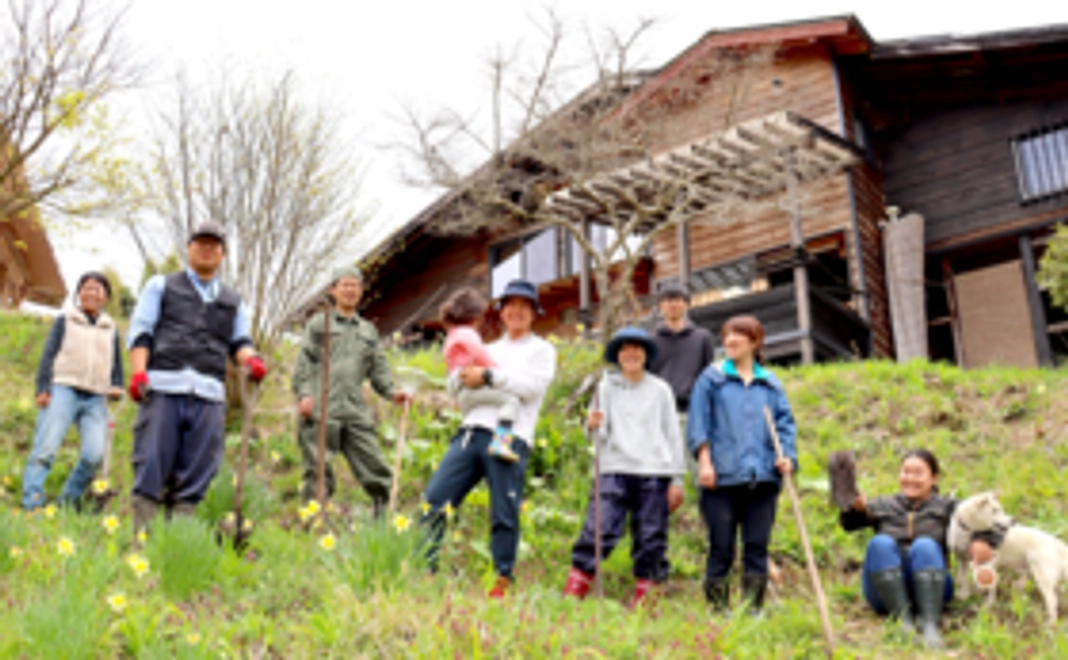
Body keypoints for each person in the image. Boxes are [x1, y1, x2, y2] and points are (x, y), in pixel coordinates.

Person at [126, 221, 268, 531]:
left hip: (209, 394)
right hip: (163, 387)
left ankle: (178, 541)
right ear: (188, 248)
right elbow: (141, 332)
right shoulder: (161, 285)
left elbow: (239, 341)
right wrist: (139, 374)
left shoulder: (233, 300)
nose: (207, 249)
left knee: (198, 468)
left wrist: (253, 360)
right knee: (152, 461)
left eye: (214, 245)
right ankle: (143, 539)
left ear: (222, 254)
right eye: (200, 243)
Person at [421, 279, 556, 598]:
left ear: (534, 313)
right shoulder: (485, 348)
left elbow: (530, 389)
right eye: (511, 306)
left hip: (510, 435)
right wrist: (467, 380)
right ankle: (425, 570)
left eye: (524, 306)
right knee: (436, 499)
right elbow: (458, 388)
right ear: (502, 311)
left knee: (503, 511)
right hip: (470, 431)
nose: (517, 312)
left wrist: (489, 378)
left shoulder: (543, 350)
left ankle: (502, 580)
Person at [562, 327, 686, 607]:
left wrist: (676, 478)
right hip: (613, 468)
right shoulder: (604, 387)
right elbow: (598, 435)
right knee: (599, 528)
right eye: (625, 349)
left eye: (637, 349)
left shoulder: (661, 389)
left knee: (651, 534)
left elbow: (672, 435)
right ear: (617, 355)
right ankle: (572, 596)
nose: (631, 354)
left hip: (654, 470)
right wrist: (591, 425)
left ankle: (646, 602)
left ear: (646, 354)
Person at [687, 314, 796, 615]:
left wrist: (787, 456)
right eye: (727, 335)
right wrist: (705, 462)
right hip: (720, 477)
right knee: (721, 546)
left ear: (755, 341)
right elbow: (699, 424)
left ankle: (753, 610)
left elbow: (785, 424)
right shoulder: (712, 378)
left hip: (762, 477)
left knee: (757, 546)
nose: (731, 340)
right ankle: (718, 610)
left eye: (738, 335)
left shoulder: (770, 383)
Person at [840, 449, 999, 649]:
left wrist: (980, 540)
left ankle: (930, 623)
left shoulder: (948, 507)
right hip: (884, 595)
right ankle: (903, 620)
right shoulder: (884, 504)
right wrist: (857, 508)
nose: (911, 478)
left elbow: (984, 520)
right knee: (880, 543)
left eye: (918, 473)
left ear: (934, 478)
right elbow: (848, 524)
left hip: (934, 591)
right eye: (906, 472)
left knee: (925, 545)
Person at [291, 266, 409, 514]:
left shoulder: (367, 331)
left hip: (354, 408)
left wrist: (391, 392)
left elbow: (378, 367)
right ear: (333, 290)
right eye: (345, 284)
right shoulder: (318, 324)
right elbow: (304, 363)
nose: (350, 290)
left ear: (361, 291)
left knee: (375, 464)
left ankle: (385, 519)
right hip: (321, 408)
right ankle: (314, 522)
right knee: (318, 471)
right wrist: (304, 394)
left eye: (355, 285)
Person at [22, 271, 123, 510]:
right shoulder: (65, 319)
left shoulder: (111, 328)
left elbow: (116, 362)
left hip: (96, 396)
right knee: (45, 449)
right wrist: (43, 387)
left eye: (97, 289)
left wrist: (116, 383)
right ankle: (32, 504)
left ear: (105, 297)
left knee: (94, 455)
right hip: (63, 388)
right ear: (79, 293)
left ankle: (67, 502)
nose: (91, 292)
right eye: (86, 287)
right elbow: (48, 354)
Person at [440, 287, 522, 462]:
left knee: (470, 414)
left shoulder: (451, 335)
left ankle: (463, 443)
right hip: (466, 379)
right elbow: (480, 354)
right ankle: (501, 444)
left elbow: (449, 365)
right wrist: (495, 372)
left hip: (457, 385)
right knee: (511, 401)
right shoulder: (467, 333)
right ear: (475, 316)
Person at [649, 282, 716, 419]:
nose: (673, 304)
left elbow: (708, 373)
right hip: (658, 410)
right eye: (668, 300)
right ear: (660, 305)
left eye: (678, 300)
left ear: (687, 304)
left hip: (694, 409)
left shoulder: (702, 337)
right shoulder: (650, 340)